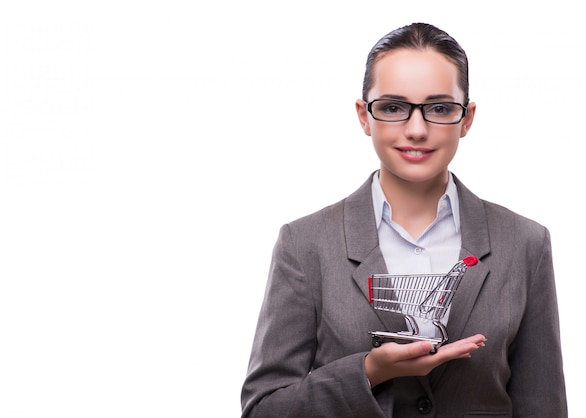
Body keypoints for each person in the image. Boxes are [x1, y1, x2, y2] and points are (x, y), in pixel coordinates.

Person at [241, 22, 567, 417]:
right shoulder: (305, 243)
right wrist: (367, 372)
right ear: (364, 116)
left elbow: (543, 406)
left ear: (467, 118)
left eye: (440, 108)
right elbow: (263, 409)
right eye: (393, 107)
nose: (416, 129)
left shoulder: (525, 242)